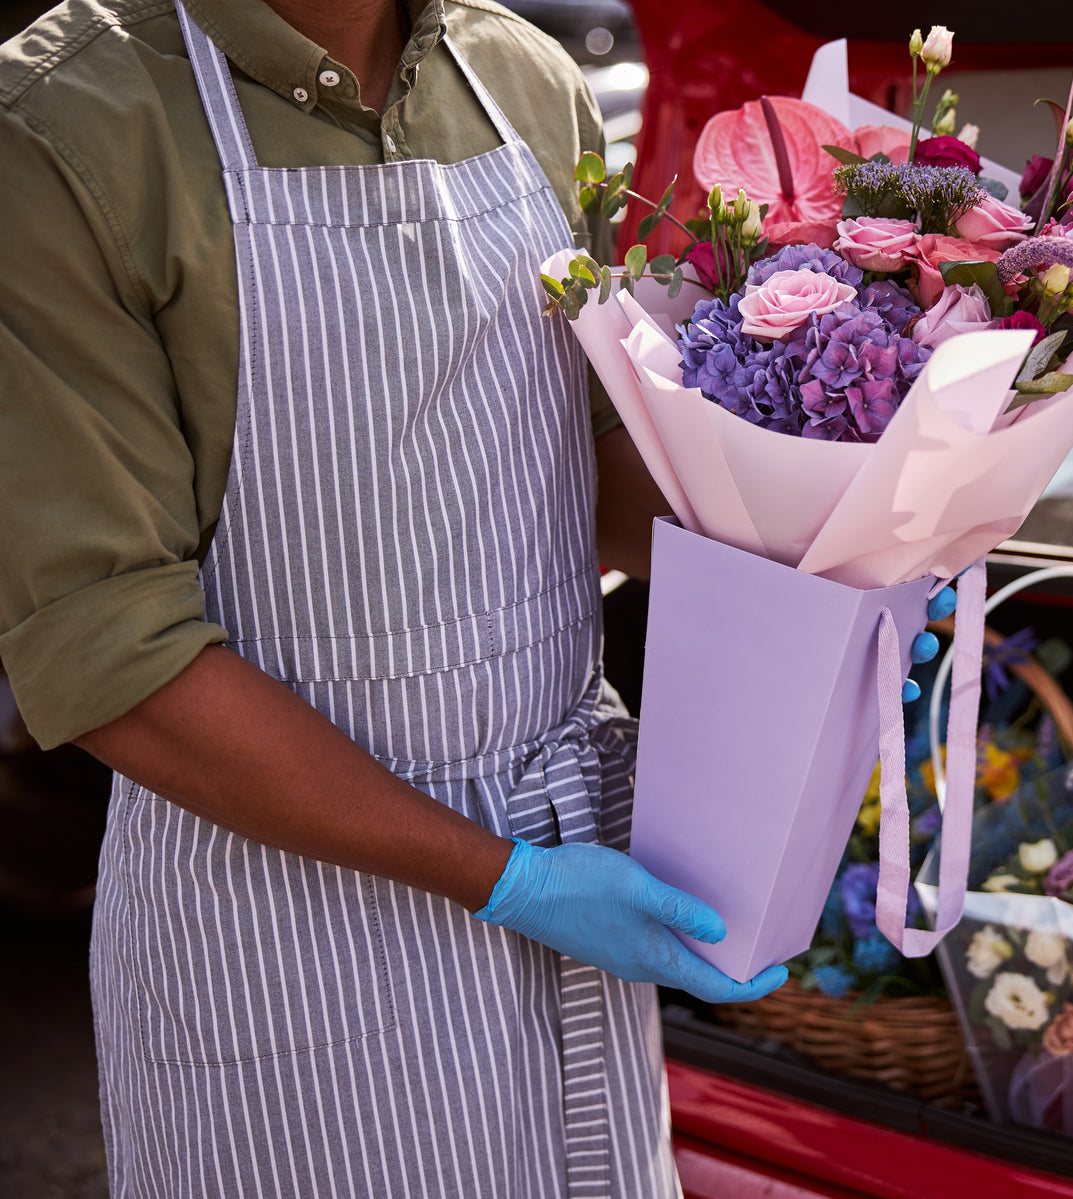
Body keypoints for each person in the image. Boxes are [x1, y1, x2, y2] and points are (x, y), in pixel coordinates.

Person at [0, 1, 792, 1194]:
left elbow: (591, 453)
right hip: (281, 950)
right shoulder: (60, 130)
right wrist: (507, 878)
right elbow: (116, 654)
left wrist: (811, 575)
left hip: (571, 900)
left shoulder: (524, 77)